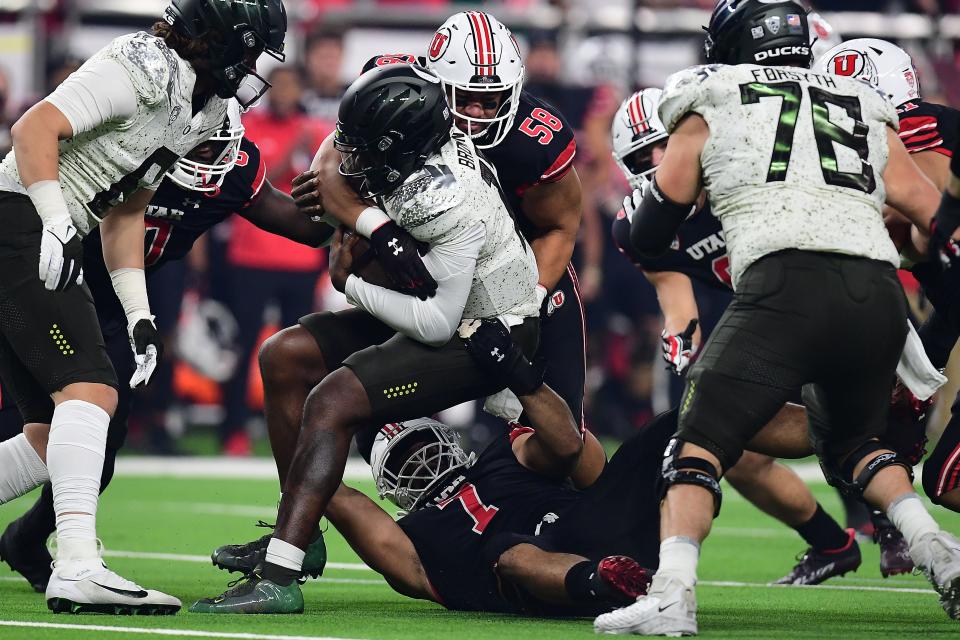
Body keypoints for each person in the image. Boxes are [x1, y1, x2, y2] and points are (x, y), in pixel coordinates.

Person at [593, 2, 957, 635]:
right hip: (875, 291)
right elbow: (934, 216)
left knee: (696, 441)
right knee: (858, 444)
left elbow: (651, 227)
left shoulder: (712, 94)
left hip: (786, 283)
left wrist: (653, 216)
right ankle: (940, 554)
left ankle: (673, 594)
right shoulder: (853, 96)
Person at [191, 62, 542, 614]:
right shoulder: (401, 143)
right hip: (439, 303)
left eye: (365, 147)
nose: (349, 155)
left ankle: (278, 576)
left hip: (489, 326)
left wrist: (346, 279)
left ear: (403, 148)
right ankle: (299, 536)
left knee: (332, 401)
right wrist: (356, 211)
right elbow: (334, 162)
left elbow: (436, 323)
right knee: (284, 357)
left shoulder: (451, 200)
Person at [0, 0, 286, 615]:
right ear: (218, 39)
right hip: (19, 215)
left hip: (52, 228)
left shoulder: (202, 109)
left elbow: (125, 212)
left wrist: (138, 313)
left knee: (51, 435)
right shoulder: (140, 63)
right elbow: (33, 129)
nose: (257, 69)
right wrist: (52, 220)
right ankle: (77, 565)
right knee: (91, 394)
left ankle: (75, 562)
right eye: (252, 48)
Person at [610, 87, 863, 586]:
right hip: (764, 314)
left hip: (827, 294)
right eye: (643, 156)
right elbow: (677, 301)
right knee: (737, 452)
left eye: (665, 145)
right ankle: (835, 544)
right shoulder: (640, 225)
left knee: (844, 420)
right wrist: (680, 343)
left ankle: (882, 497)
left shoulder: (742, 171)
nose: (659, 162)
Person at [817, 38, 960, 514]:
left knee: (947, 480)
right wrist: (917, 389)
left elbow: (932, 222)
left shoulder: (910, 127)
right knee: (946, 481)